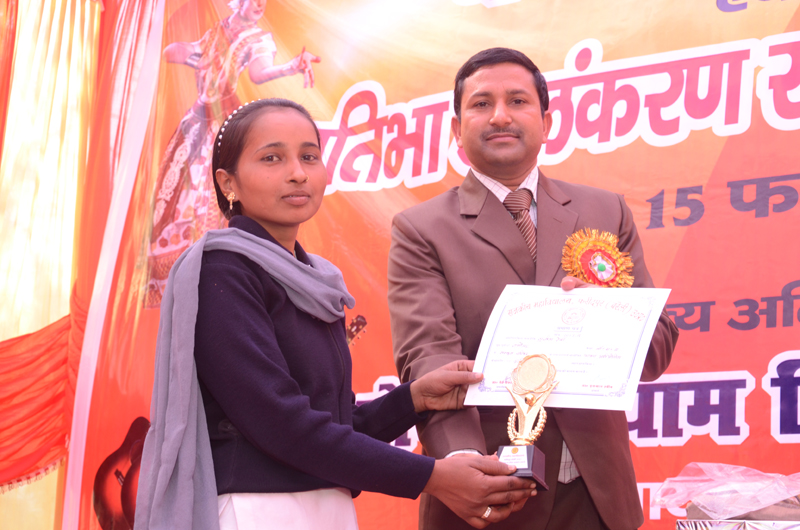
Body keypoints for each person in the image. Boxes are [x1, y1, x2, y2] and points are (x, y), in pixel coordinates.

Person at [134, 98, 538, 530]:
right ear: (227, 182)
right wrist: (433, 477)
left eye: (309, 156)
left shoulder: (315, 279)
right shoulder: (223, 271)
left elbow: (335, 426)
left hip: (328, 507)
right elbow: (282, 424)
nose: (298, 173)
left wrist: (414, 399)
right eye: (272, 158)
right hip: (256, 511)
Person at [388, 48, 680, 530]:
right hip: (489, 492)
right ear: (457, 129)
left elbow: (655, 352)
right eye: (482, 104)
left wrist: (607, 312)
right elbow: (429, 356)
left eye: (517, 101)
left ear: (546, 122)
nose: (500, 116)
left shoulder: (606, 211)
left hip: (598, 496)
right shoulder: (421, 229)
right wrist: (465, 462)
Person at [144, 0, 320, 307]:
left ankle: (211, 284)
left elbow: (260, 72)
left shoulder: (256, 39)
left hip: (219, 125)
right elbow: (184, 51)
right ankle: (176, 286)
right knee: (171, 201)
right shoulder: (217, 31)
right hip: (195, 124)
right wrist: (174, 49)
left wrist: (291, 67)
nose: (260, 4)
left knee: (209, 203)